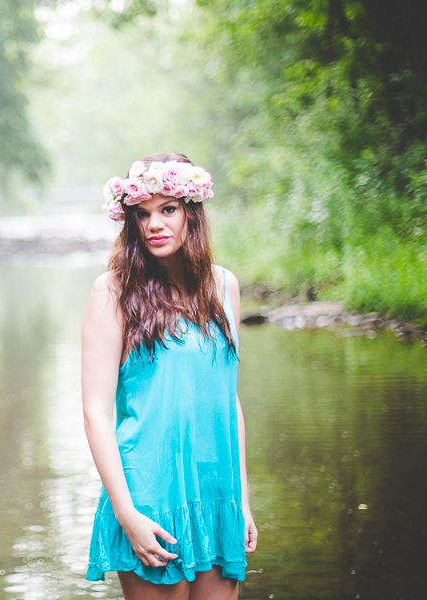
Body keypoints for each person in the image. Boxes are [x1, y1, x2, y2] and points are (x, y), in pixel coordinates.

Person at [82, 152, 257, 599]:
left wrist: (243, 499)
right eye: (142, 213)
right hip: (149, 495)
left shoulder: (224, 285)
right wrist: (126, 513)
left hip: (218, 493)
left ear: (192, 212)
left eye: (168, 209)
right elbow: (96, 413)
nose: (153, 224)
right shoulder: (113, 292)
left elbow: (227, 398)